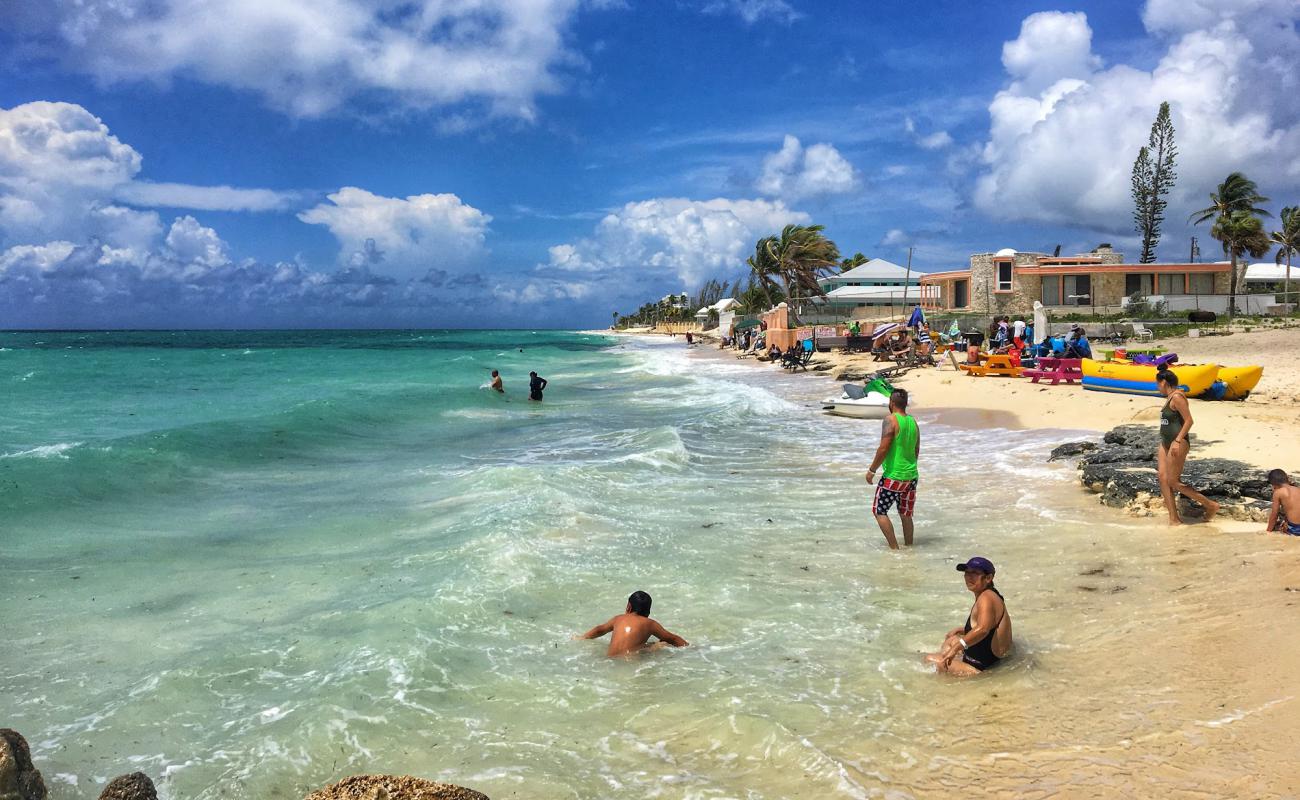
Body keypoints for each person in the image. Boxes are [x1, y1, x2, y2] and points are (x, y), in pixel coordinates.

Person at [926, 557, 1013, 675]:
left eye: (975, 573)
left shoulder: (986, 598)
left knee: (929, 659)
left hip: (981, 668)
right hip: (992, 659)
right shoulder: (991, 594)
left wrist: (956, 648)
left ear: (988, 578)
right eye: (967, 573)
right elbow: (988, 624)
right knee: (951, 639)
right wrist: (962, 630)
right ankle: (952, 658)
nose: (969, 577)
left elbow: (983, 629)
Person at [1156, 369, 1220, 525]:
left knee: (1173, 481)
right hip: (1165, 442)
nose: (1157, 387)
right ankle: (1174, 519)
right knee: (1163, 478)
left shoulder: (1177, 397)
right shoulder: (1169, 397)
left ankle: (1210, 505)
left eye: (1157, 383)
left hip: (1177, 442)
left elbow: (1189, 421)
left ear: (1164, 382)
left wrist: (1177, 441)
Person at [865, 389, 920, 550]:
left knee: (879, 511)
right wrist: (909, 468)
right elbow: (916, 449)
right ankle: (909, 548)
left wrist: (872, 470)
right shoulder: (912, 421)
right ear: (906, 404)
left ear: (892, 403)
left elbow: (883, 448)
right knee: (906, 513)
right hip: (911, 475)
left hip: (893, 476)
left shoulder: (890, 420)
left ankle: (894, 549)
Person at [579, 590, 688, 656]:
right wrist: (690, 648)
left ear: (628, 606)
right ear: (648, 612)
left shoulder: (618, 618)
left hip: (610, 659)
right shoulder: (650, 623)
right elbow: (672, 639)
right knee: (662, 643)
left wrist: (582, 637)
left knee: (648, 645)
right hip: (630, 661)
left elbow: (599, 630)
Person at [1265, 469, 1300, 535]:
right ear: (1287, 478)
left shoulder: (1278, 493)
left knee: (1277, 527)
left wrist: (1268, 531)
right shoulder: (1297, 489)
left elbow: (1274, 514)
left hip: (1295, 529)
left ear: (1273, 484)